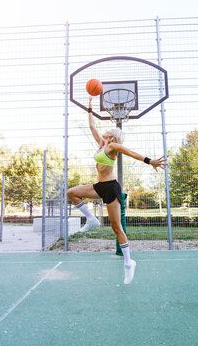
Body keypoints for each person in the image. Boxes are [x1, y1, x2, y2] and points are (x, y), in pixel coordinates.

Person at [67, 96, 167, 284]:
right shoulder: (101, 144)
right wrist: (89, 108)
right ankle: (91, 218)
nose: (105, 130)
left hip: (111, 188)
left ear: (112, 135)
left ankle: (129, 263)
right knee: (71, 192)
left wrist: (150, 161)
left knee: (116, 227)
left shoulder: (113, 146)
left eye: (109, 130)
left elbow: (131, 152)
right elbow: (92, 127)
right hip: (99, 186)